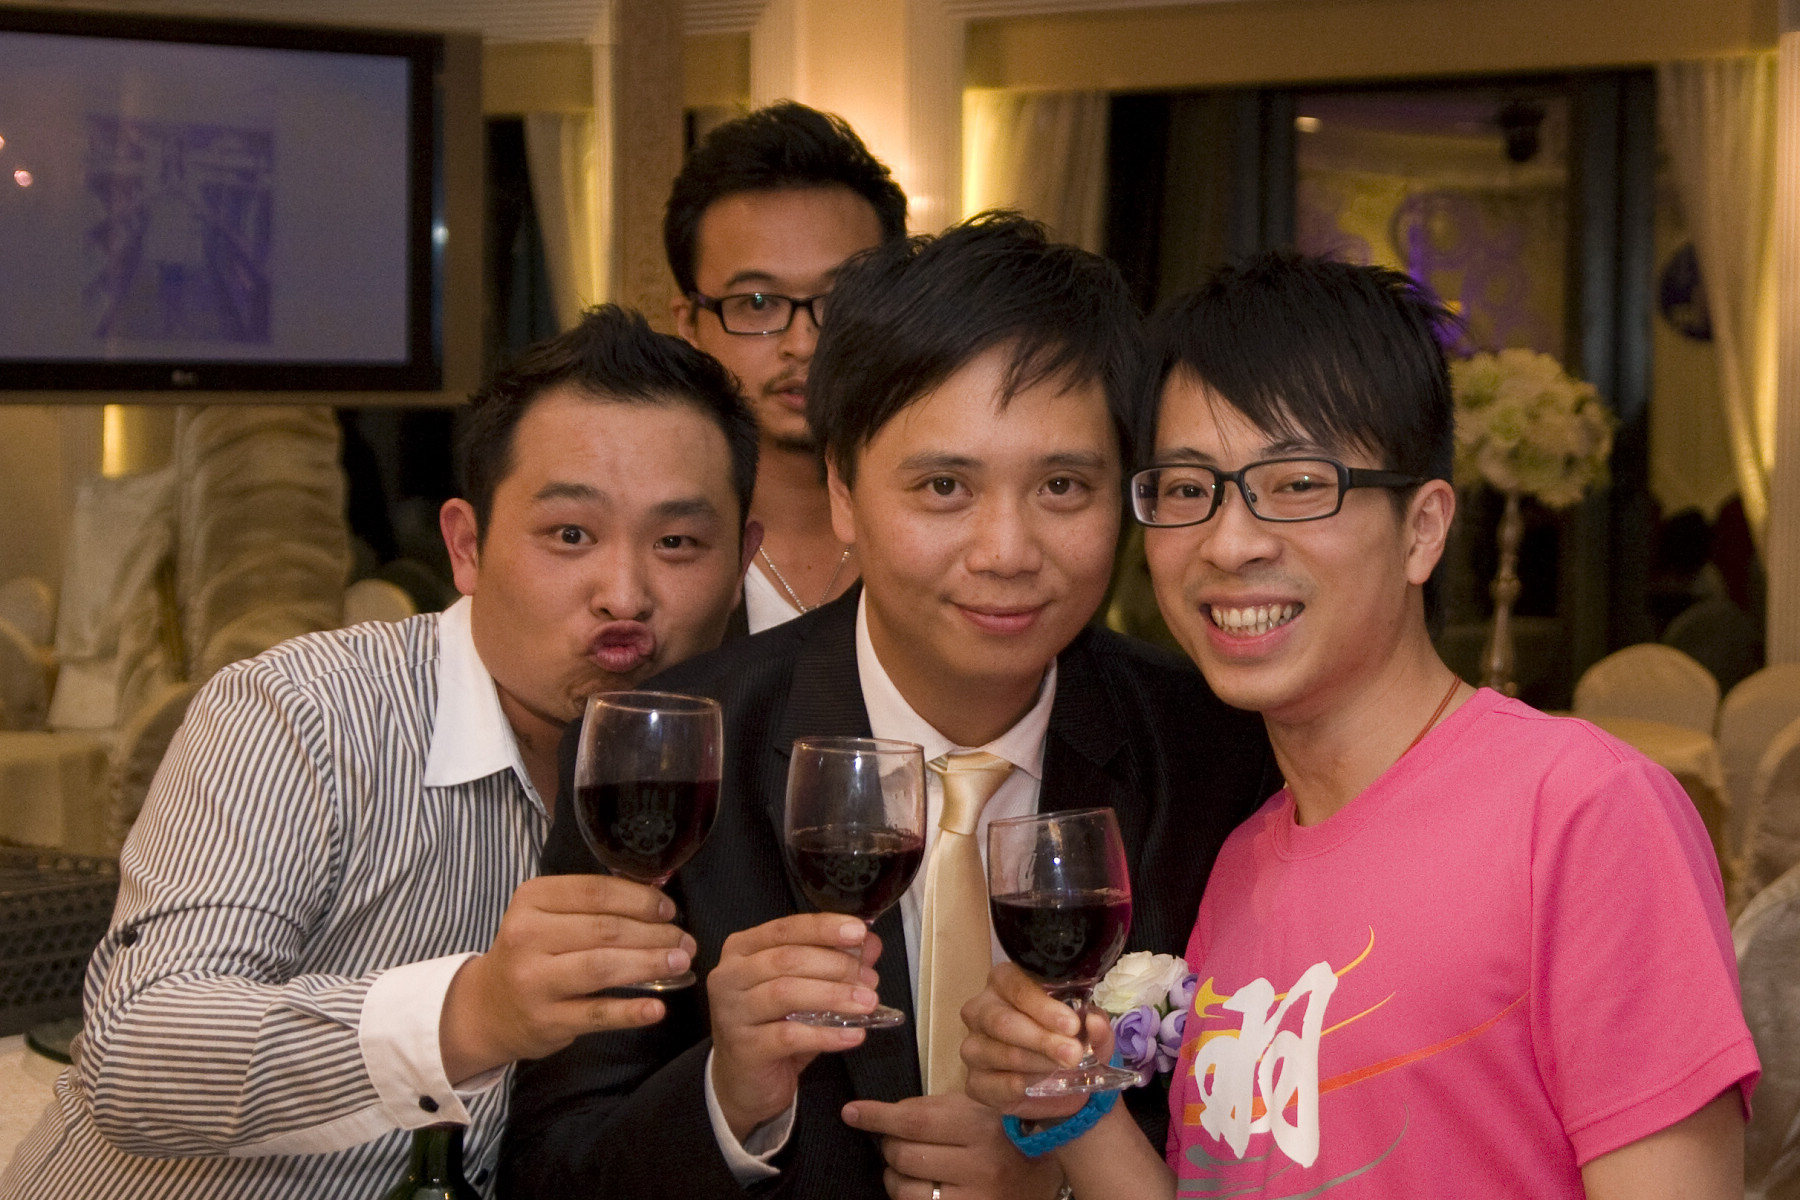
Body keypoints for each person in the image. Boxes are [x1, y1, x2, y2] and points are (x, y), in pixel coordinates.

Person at [502, 214, 1278, 1200]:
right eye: (945, 486)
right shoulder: (677, 757)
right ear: (842, 489)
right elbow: (548, 1172)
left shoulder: (1215, 753)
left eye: (1062, 486)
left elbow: (1272, 1136)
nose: (1006, 551)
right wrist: (728, 1098)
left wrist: (1066, 1174)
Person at [960, 254, 1760, 1199]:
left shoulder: (1583, 813)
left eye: (1300, 483)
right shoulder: (1240, 864)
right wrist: (1071, 1098)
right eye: (1185, 489)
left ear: (1423, 529)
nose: (1229, 541)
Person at [0, 306, 761, 1199]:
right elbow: (139, 1050)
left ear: (742, 561)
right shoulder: (303, 712)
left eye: (677, 543)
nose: (624, 595)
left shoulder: (744, 769)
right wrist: (471, 1013)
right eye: (570, 535)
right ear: (467, 547)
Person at [667, 101, 907, 632]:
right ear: (690, 324)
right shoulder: (650, 545)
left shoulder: (947, 533)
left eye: (840, 301)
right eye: (757, 302)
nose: (803, 344)